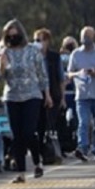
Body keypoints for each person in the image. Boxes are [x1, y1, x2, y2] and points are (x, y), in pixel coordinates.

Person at [0, 19, 51, 183]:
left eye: (15, 34)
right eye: (9, 35)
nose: (13, 37)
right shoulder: (4, 52)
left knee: (28, 132)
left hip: (32, 95)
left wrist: (47, 94)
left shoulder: (33, 51)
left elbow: (42, 74)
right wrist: (2, 65)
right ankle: (20, 172)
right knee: (17, 135)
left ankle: (37, 160)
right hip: (12, 96)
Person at [33, 28, 65, 164]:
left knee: (50, 125)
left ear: (47, 41)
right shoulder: (31, 56)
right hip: (35, 95)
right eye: (36, 40)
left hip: (53, 95)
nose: (39, 43)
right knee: (38, 125)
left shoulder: (54, 57)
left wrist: (62, 98)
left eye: (41, 40)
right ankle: (40, 151)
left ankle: (52, 153)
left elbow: (61, 78)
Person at [67, 26, 95, 162]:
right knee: (83, 122)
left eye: (89, 37)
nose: (86, 40)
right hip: (82, 95)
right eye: (84, 37)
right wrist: (78, 73)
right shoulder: (75, 54)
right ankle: (82, 148)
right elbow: (69, 73)